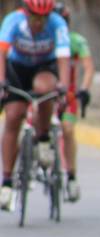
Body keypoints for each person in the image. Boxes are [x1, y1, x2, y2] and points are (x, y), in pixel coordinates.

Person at [0, 0, 70, 210]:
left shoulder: (57, 23)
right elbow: (2, 54)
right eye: (34, 17)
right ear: (26, 12)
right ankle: (8, 181)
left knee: (45, 90)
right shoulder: (13, 21)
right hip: (17, 68)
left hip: (44, 67)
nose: (39, 22)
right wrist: (2, 81)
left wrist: (64, 86)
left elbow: (64, 58)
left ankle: (43, 137)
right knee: (13, 116)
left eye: (43, 18)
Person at [53, 2, 93, 202]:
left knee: (67, 130)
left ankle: (71, 176)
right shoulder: (41, 40)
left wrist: (84, 89)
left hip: (67, 96)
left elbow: (88, 67)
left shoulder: (76, 41)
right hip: (43, 93)